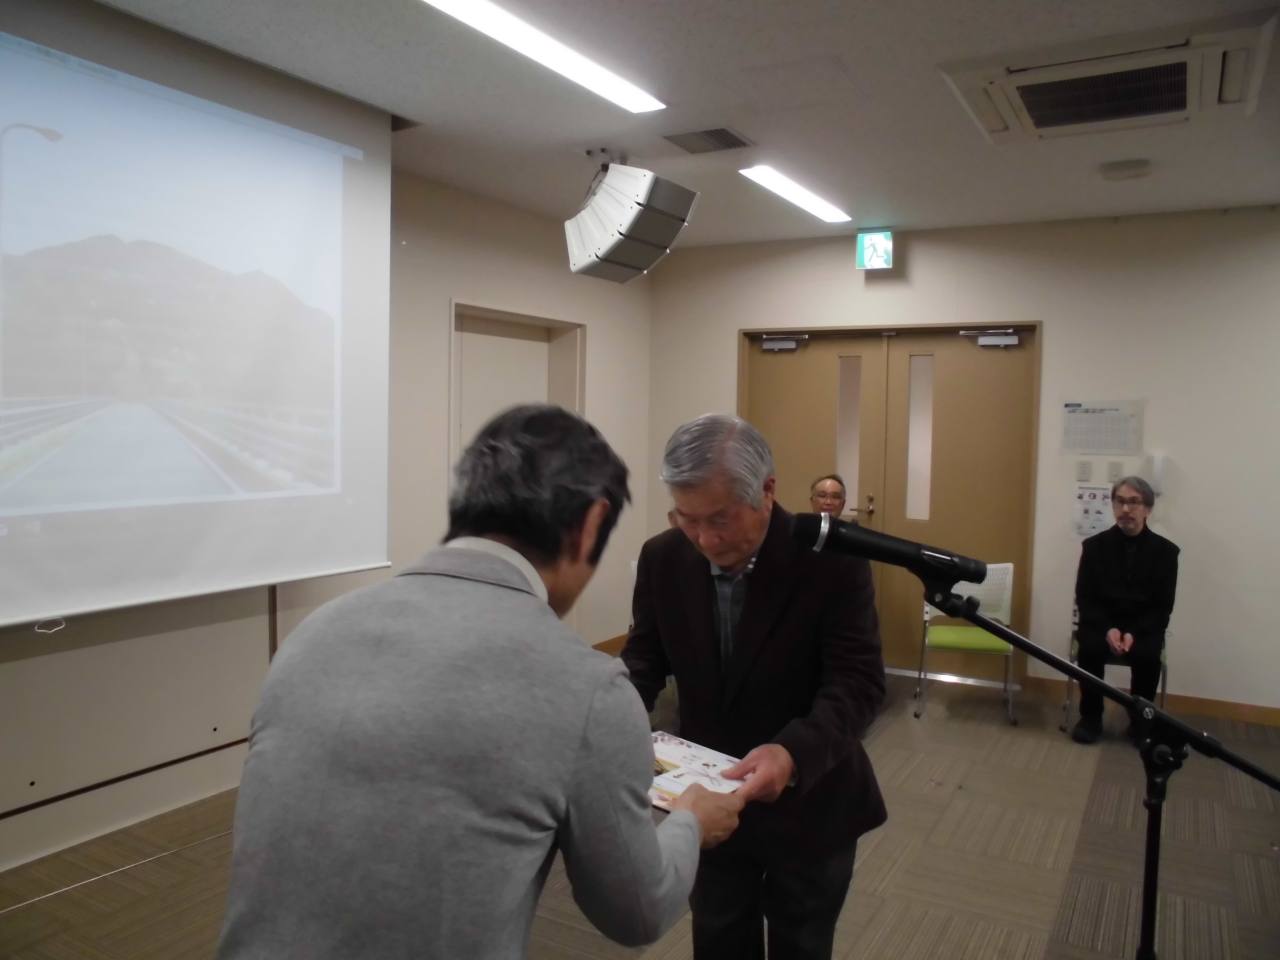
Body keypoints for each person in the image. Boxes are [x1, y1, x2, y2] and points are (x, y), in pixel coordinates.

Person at [216, 404, 743, 960]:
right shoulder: (584, 684)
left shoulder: (314, 632)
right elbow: (637, 911)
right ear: (591, 523)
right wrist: (690, 822)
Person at [622, 413, 886, 960]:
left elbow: (858, 682)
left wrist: (792, 754)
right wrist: (616, 714)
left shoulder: (833, 560)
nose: (704, 538)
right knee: (718, 936)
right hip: (706, 795)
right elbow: (645, 657)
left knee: (802, 942)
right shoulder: (664, 557)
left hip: (812, 797)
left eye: (720, 519)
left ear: (767, 490)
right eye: (686, 519)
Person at [1071, 475, 1179, 745]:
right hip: (1101, 623)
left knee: (1148, 655)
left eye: (1134, 502)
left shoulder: (1166, 553)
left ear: (1148, 509)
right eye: (1120, 502)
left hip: (1143, 626)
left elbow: (1162, 606)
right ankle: (1090, 718)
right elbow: (1085, 598)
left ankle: (1141, 721)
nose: (1126, 509)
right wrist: (1109, 629)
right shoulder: (1093, 547)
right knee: (1090, 648)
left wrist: (1132, 633)